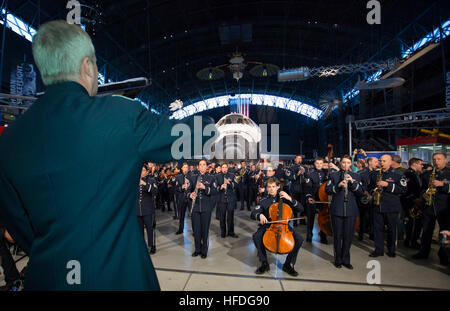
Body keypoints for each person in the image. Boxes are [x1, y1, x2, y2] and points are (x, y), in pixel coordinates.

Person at [0, 21, 194, 290]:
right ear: (87, 66)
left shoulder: (9, 139)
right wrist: (216, 130)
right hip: (119, 279)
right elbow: (188, 137)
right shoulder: (121, 115)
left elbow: (20, 226)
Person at [251, 178, 304, 276]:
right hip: (269, 226)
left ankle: (288, 264)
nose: (271, 189)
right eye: (269, 187)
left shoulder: (285, 198)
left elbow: (301, 208)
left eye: (273, 187)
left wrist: (290, 199)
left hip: (284, 227)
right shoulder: (264, 200)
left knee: (299, 239)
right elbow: (254, 213)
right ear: (266, 188)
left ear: (278, 187)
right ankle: (264, 263)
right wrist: (260, 215)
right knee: (256, 236)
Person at [325, 156, 364, 269]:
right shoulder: (333, 175)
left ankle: (346, 259)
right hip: (337, 209)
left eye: (348, 163)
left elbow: (361, 192)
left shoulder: (356, 176)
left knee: (348, 236)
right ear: (340, 163)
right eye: (343, 162)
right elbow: (327, 190)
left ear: (351, 164)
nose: (345, 165)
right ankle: (338, 259)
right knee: (337, 236)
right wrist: (338, 186)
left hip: (351, 210)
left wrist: (352, 183)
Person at [412, 153, 450, 266]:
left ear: (445, 160)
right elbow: (422, 188)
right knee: (426, 231)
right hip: (429, 206)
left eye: (439, 159)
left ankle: (444, 255)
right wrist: (423, 194)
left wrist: (442, 184)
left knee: (444, 232)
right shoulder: (427, 174)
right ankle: (424, 251)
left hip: (444, 207)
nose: (436, 161)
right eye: (434, 159)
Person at [368, 155, 407, 258]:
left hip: (391, 206)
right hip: (377, 205)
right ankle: (378, 250)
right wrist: (373, 192)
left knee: (391, 229)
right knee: (377, 229)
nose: (381, 163)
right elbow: (370, 187)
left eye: (384, 161)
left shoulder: (398, 175)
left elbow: (403, 189)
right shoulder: (374, 174)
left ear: (390, 162)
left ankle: (391, 250)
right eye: (380, 161)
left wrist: (388, 185)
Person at [188, 160, 218, 259]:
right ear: (198, 167)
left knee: (205, 230)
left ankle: (204, 250)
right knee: (196, 230)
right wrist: (190, 194)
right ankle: (197, 249)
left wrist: (205, 187)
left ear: (206, 167)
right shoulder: (192, 178)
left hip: (206, 208)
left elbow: (214, 191)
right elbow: (188, 190)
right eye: (200, 165)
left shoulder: (211, 178)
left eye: (204, 165)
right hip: (195, 208)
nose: (202, 166)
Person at [305, 157, 329, 244]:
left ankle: (323, 235)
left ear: (323, 164)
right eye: (317, 163)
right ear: (314, 164)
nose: (319, 165)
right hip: (313, 198)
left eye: (321, 163)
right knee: (310, 217)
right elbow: (307, 188)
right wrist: (309, 197)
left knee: (324, 217)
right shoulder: (309, 174)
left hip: (323, 199)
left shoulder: (326, 174)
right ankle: (309, 234)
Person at [137, 165, 158, 254]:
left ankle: (152, 245)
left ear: (147, 172)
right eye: (140, 170)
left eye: (143, 170)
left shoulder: (151, 180)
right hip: (138, 210)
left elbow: (155, 191)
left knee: (150, 229)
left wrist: (145, 184)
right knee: (140, 230)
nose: (142, 172)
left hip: (148, 210)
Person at [403, 158, 424, 249]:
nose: (422, 166)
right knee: (413, 223)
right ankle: (411, 241)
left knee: (415, 223)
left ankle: (412, 240)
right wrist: (414, 199)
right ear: (414, 164)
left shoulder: (416, 174)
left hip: (417, 201)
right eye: (420, 164)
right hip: (411, 202)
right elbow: (406, 189)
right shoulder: (408, 174)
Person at [357, 157, 379, 241]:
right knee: (363, 217)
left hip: (374, 197)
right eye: (376, 161)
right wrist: (364, 191)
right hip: (363, 198)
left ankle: (372, 234)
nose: (377, 163)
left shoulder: (377, 173)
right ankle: (361, 233)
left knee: (373, 217)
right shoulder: (361, 173)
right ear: (370, 162)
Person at [216, 163, 238, 238]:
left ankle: (231, 232)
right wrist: (220, 187)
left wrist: (230, 183)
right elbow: (215, 188)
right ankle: (223, 232)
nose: (224, 169)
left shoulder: (232, 175)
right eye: (223, 167)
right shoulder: (217, 176)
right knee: (222, 217)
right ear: (221, 168)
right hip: (221, 199)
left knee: (230, 217)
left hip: (230, 199)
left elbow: (236, 185)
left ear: (227, 168)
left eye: (226, 167)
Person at [289, 155, 308, 227]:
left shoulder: (305, 167)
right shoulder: (291, 168)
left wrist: (304, 173)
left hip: (303, 189)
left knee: (303, 205)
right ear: (295, 159)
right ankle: (295, 221)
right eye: (298, 158)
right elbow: (290, 178)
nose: (300, 159)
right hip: (295, 189)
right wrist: (298, 173)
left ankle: (302, 220)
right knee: (295, 205)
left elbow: (308, 177)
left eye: (301, 158)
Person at [174, 163, 191, 235]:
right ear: (182, 168)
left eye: (187, 167)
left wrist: (189, 183)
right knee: (181, 215)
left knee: (193, 216)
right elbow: (175, 189)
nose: (186, 169)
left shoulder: (192, 176)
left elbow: (194, 188)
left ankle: (195, 231)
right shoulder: (178, 177)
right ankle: (181, 229)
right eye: (184, 167)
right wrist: (181, 187)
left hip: (190, 199)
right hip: (181, 199)